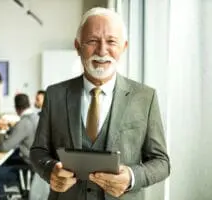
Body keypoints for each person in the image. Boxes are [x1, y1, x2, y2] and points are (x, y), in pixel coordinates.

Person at [30, 7, 170, 200]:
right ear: (78, 46)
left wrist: (131, 177)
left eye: (111, 41)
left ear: (124, 46)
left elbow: (162, 162)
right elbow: (38, 151)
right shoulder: (55, 95)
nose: (102, 51)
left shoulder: (145, 97)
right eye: (92, 41)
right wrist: (50, 170)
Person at [0, 93, 39, 200]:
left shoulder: (24, 123)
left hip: (28, 166)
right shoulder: (37, 117)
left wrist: (2, 130)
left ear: (17, 109)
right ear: (29, 104)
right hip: (37, 165)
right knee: (6, 162)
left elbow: (3, 148)